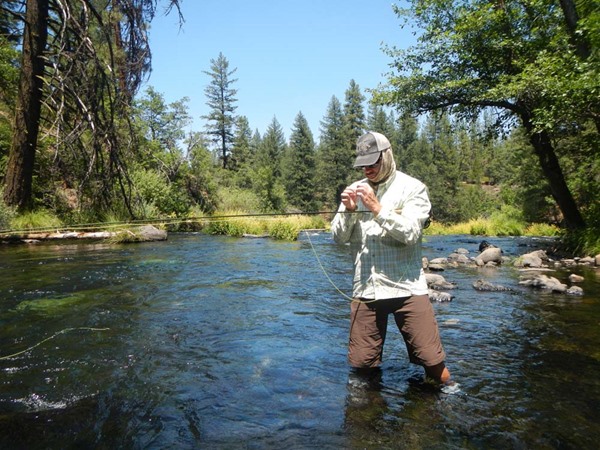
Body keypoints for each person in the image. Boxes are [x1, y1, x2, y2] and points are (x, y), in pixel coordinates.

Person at [331, 131, 455, 391]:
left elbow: (410, 234)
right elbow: (338, 239)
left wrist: (377, 208)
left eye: (373, 162)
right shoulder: (354, 190)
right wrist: (349, 213)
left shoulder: (413, 188)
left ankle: (450, 396)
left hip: (407, 287)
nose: (367, 169)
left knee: (432, 361)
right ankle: (366, 415)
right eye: (363, 164)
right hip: (365, 289)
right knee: (362, 366)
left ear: (387, 156)